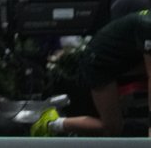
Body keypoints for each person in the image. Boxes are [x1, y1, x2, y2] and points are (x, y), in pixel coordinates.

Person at [31, 9, 151, 137]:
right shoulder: (147, 25)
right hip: (100, 63)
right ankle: (51, 123)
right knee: (111, 128)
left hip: (125, 62)